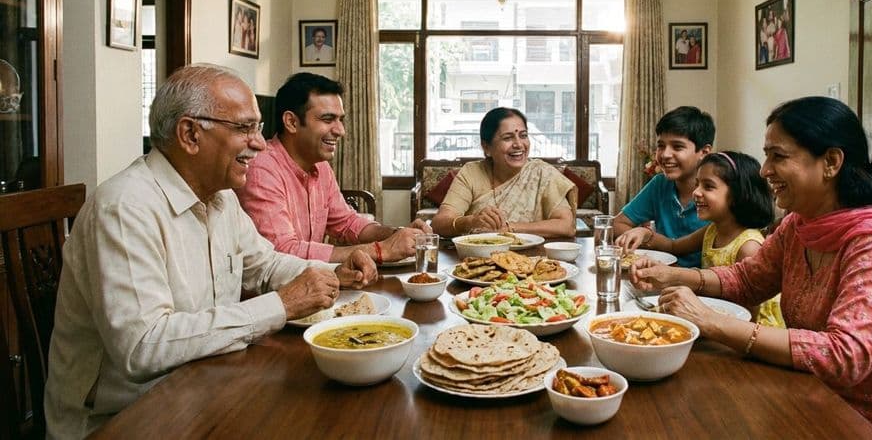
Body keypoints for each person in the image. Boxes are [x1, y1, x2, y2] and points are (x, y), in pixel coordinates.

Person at [44, 64, 376, 438]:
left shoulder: (220, 199)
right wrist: (281, 305)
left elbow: (264, 264)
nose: (260, 144)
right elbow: (143, 346)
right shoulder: (124, 208)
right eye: (244, 128)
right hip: (123, 419)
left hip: (205, 386)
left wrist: (333, 270)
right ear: (190, 134)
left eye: (258, 128)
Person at [630, 96, 872, 439]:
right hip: (803, 388)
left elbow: (844, 356)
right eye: (766, 156)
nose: (764, 170)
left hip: (859, 418)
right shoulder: (799, 225)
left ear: (831, 162)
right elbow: (749, 279)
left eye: (778, 156)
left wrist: (713, 323)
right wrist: (673, 276)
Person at [236, 72, 429, 264]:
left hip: (314, 285)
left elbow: (346, 223)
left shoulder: (321, 166)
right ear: (292, 122)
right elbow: (283, 251)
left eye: (340, 120)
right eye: (328, 119)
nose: (340, 131)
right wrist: (381, 250)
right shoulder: (261, 168)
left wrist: (396, 233)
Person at [624, 151, 783, 327]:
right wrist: (645, 234)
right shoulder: (712, 230)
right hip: (715, 321)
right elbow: (673, 246)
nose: (696, 192)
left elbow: (748, 318)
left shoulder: (749, 246)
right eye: (697, 184)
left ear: (739, 194)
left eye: (708, 186)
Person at [431, 107, 577, 238]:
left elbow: (567, 225)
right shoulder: (471, 173)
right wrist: (469, 222)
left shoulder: (542, 174)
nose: (519, 144)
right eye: (507, 138)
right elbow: (439, 224)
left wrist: (508, 228)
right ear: (486, 147)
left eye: (523, 135)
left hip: (535, 260)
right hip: (479, 261)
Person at [613, 106, 714, 268]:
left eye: (677, 147)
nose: (665, 155)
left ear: (704, 152)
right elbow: (618, 223)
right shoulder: (660, 184)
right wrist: (640, 236)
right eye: (661, 146)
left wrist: (649, 237)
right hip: (658, 277)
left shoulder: (718, 194)